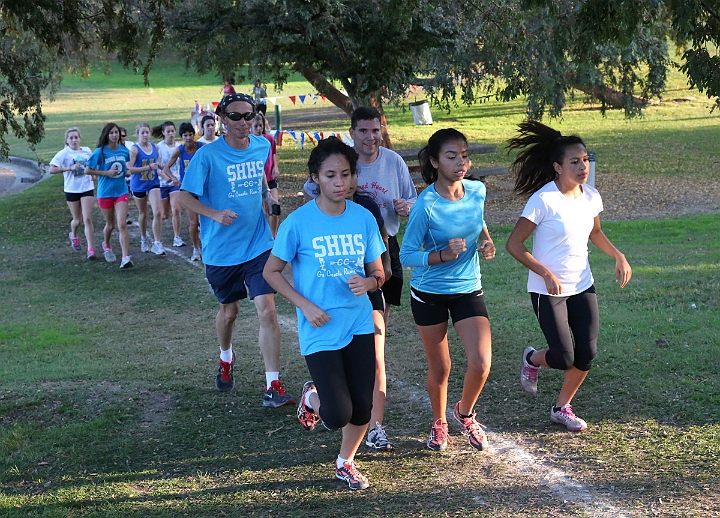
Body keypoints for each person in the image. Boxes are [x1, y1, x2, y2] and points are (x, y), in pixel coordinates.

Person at [263, 137, 385, 490]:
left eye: (346, 174)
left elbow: (379, 273)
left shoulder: (363, 218)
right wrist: (305, 305)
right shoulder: (299, 223)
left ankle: (345, 462)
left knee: (362, 410)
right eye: (330, 175)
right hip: (319, 326)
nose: (340, 183)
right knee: (336, 414)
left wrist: (369, 282)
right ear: (314, 177)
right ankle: (311, 396)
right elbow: (271, 272)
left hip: (359, 321)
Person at [505, 121, 632, 431]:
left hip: (582, 284)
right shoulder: (543, 200)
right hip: (547, 289)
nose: (582, 166)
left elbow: (596, 232)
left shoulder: (591, 196)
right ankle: (533, 358)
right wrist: (544, 272)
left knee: (586, 354)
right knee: (563, 356)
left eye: (585, 159)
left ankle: (562, 407)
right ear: (558, 167)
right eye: (574, 161)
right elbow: (514, 244)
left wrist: (618, 255)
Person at [177, 93, 295, 407]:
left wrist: (269, 197)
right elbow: (183, 198)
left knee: (268, 311)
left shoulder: (262, 146)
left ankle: (273, 385)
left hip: (258, 244)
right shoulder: (207, 156)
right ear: (222, 120)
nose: (244, 122)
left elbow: (264, 179)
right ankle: (226, 358)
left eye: (248, 115)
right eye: (236, 116)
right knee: (230, 312)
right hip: (220, 250)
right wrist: (214, 214)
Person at [399, 128, 496, 452]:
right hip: (429, 294)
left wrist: (486, 240)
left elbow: (478, 220)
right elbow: (407, 254)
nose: (461, 162)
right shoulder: (425, 204)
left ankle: (465, 412)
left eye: (464, 155)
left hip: (468, 288)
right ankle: (439, 422)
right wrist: (443, 255)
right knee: (441, 367)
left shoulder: (477, 190)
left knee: (481, 362)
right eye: (452, 156)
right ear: (435, 161)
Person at [348, 107, 417, 324]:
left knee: (385, 295)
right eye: (363, 131)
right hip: (353, 242)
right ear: (352, 132)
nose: (371, 137)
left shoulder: (394, 161)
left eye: (375, 131)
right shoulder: (344, 160)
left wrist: (406, 206)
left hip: (387, 242)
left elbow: (413, 199)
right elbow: (314, 189)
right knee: (356, 294)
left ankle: (379, 342)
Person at [84, 122, 133, 269]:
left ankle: (125, 257)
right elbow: (87, 170)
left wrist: (128, 172)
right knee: (110, 225)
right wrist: (106, 173)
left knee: (122, 224)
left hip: (121, 191)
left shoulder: (124, 151)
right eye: (111, 133)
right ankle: (107, 244)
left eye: (116, 132)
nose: (114, 135)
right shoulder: (100, 152)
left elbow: (127, 169)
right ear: (107, 135)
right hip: (105, 192)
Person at [48, 127, 96, 259]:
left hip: (86, 187)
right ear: (67, 141)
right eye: (71, 138)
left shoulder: (87, 151)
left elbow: (91, 166)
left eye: (76, 137)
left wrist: (93, 174)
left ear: (80, 138)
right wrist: (69, 168)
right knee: (78, 220)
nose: (74, 140)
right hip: (71, 189)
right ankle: (73, 235)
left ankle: (90, 248)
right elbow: (51, 170)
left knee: (87, 218)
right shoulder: (64, 153)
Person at [164, 122, 204, 261]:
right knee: (194, 222)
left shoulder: (201, 147)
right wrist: (174, 179)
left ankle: (208, 246)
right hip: (188, 190)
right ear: (181, 137)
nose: (188, 138)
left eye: (190, 135)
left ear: (194, 135)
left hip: (203, 189)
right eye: (185, 135)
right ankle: (196, 249)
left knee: (206, 221)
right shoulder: (179, 150)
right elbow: (166, 168)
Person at [128, 123, 165, 256]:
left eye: (147, 132)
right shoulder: (134, 149)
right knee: (143, 213)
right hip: (139, 184)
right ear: (138, 134)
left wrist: (162, 169)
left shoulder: (155, 147)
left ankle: (157, 243)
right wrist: (148, 167)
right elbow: (130, 169)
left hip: (153, 183)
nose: (145, 135)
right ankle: (143, 238)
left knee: (158, 212)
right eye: (142, 133)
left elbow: (158, 162)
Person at [156, 121, 185, 248]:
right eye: (168, 132)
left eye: (173, 131)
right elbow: (156, 166)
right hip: (162, 183)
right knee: (164, 214)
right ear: (163, 133)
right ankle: (154, 232)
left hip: (176, 182)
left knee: (176, 209)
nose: (171, 134)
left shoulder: (179, 147)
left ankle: (177, 237)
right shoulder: (158, 147)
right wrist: (165, 176)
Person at [251, 113, 280, 237]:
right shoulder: (248, 142)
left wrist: (275, 167)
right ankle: (262, 236)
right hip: (257, 181)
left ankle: (274, 235)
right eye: (256, 126)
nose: (258, 129)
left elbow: (274, 154)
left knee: (275, 208)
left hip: (270, 178)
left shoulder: (269, 139)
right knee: (260, 211)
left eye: (260, 126)